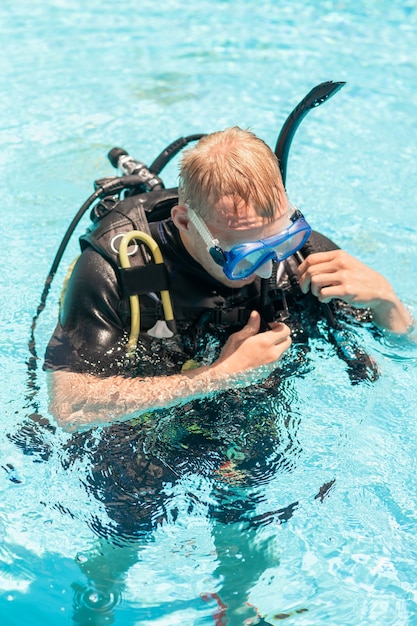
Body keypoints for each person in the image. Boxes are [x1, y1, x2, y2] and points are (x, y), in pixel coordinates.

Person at [45, 126, 412, 432]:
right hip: (145, 423)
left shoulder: (305, 254)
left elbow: (405, 350)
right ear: (185, 222)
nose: (270, 267)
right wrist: (218, 376)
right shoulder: (114, 268)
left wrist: (387, 301)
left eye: (283, 239)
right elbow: (69, 408)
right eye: (247, 256)